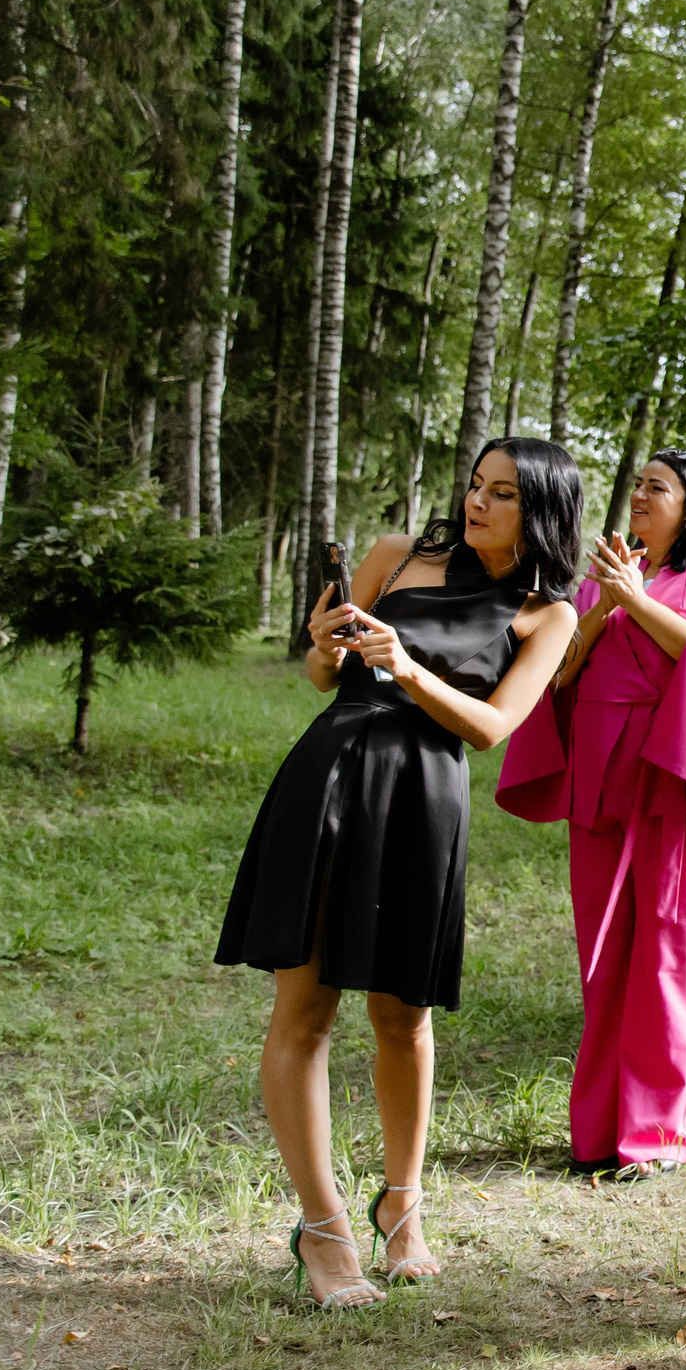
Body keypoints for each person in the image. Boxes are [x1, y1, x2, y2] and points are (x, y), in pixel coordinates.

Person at [216, 438, 583, 1310]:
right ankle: (322, 1226)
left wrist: (406, 665)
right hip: (330, 775)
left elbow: (493, 727)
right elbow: (323, 677)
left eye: (502, 493)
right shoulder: (396, 556)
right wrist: (324, 647)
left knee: (404, 1016)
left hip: (423, 794)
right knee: (303, 1010)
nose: (477, 502)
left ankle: (402, 1202)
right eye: (475, 484)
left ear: (540, 511)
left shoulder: (547, 612)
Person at [496, 450, 686, 1178]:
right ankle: (595, 1132)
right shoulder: (611, 567)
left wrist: (638, 600)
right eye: (638, 484)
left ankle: (656, 1134)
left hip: (674, 772)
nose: (640, 496)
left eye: (658, 487)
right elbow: (559, 670)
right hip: (601, 771)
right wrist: (610, 600)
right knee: (605, 950)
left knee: (667, 950)